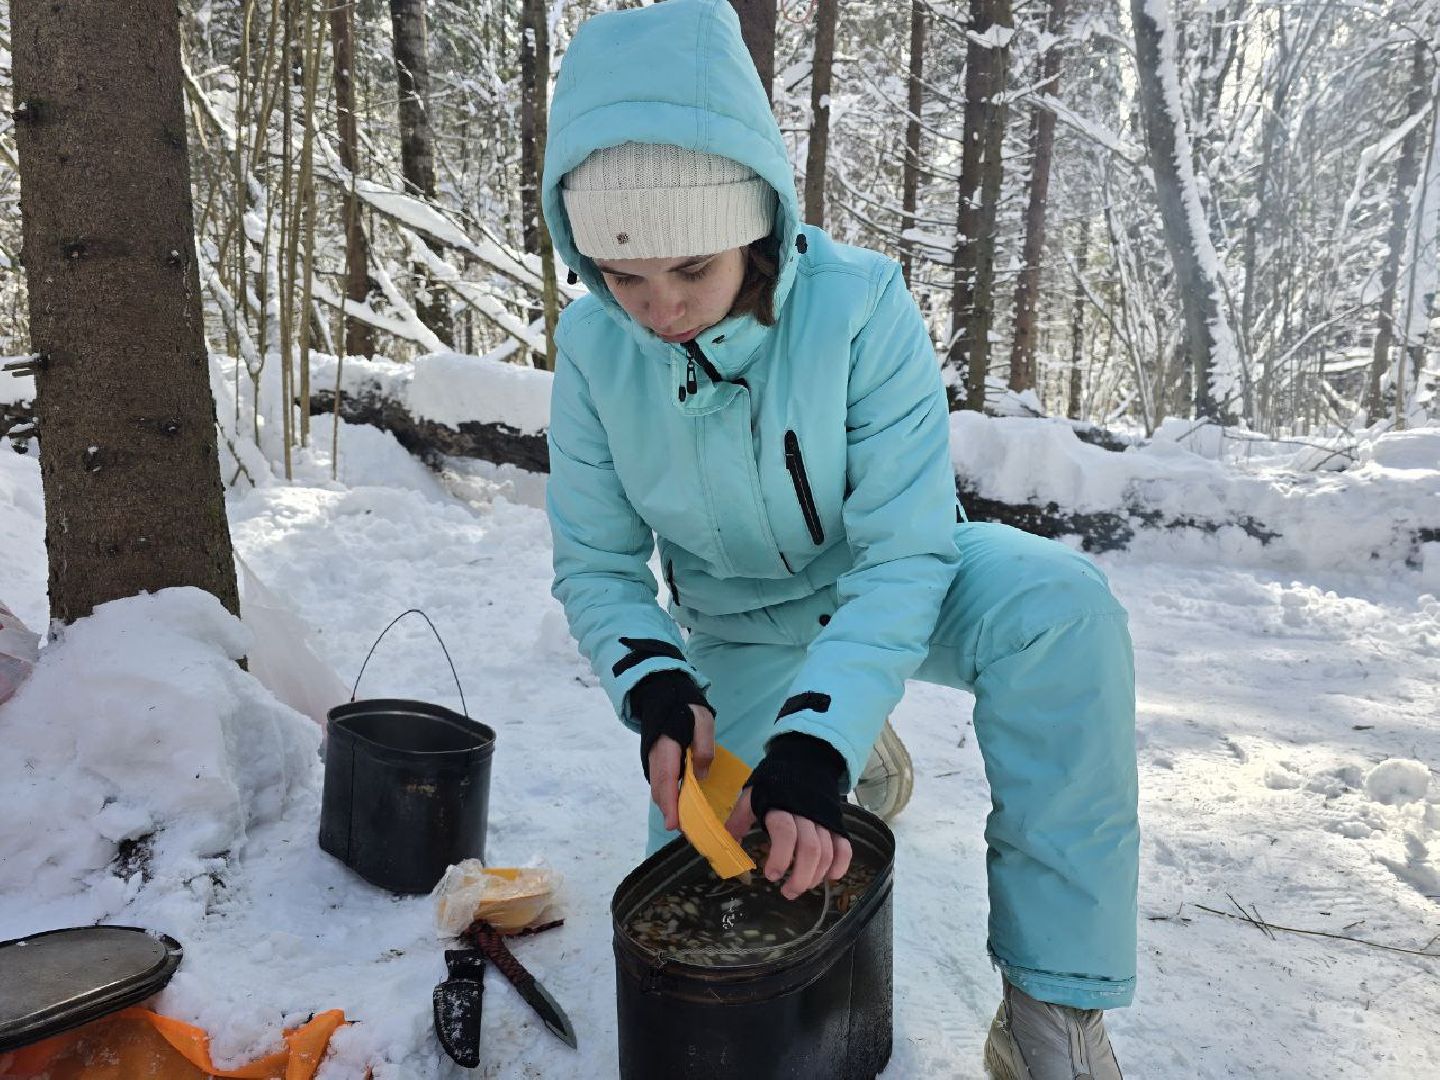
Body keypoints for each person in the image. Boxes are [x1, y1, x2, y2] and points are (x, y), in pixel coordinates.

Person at [540, 2, 1138, 1076]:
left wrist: (816, 744)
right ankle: (845, 724)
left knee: (1060, 607)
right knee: (707, 902)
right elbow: (597, 563)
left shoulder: (860, 307)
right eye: (624, 278)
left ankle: (1052, 1001)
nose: (659, 308)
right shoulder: (592, 349)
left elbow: (908, 552)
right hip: (738, 626)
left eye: (690, 271)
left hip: (896, 579)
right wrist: (659, 691)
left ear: (755, 225)